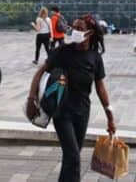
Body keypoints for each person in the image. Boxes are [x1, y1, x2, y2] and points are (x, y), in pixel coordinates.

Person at [26, 15, 116, 182]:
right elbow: (40, 72)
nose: (75, 31)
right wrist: (31, 99)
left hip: (82, 112)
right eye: (73, 28)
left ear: (90, 33)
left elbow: (100, 88)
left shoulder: (94, 57)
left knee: (71, 157)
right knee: (73, 156)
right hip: (62, 112)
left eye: (80, 29)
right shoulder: (62, 52)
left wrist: (110, 117)